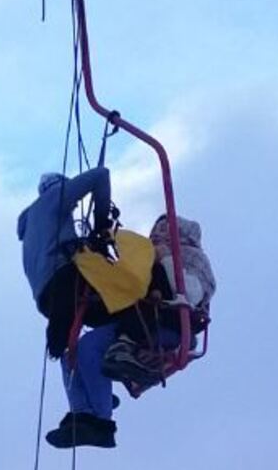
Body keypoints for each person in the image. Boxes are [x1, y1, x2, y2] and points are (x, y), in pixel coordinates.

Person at [17, 168, 121, 449]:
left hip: (48, 297)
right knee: (127, 310)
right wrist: (101, 226)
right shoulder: (55, 199)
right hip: (66, 281)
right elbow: (101, 175)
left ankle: (86, 405)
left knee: (70, 351)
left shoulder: (31, 226)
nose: (74, 206)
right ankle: (101, 413)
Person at [102, 213, 214, 391]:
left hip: (172, 318)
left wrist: (166, 258)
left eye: (164, 230)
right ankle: (90, 409)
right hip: (140, 314)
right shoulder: (147, 255)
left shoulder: (192, 257)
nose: (155, 234)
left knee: (152, 276)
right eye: (154, 230)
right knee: (86, 349)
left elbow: (191, 293)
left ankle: (127, 344)